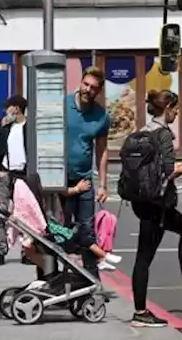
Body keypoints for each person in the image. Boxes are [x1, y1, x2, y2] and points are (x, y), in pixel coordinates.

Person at [129, 90, 182, 328]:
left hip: (141, 201)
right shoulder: (162, 134)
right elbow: (169, 170)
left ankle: (141, 309)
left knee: (145, 255)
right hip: (157, 203)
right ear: (168, 108)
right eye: (176, 109)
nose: (177, 113)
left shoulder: (143, 130)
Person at [66, 66, 111, 276]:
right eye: (86, 84)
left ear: (98, 91)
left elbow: (101, 151)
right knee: (59, 231)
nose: (88, 90)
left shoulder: (101, 116)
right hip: (59, 179)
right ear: (81, 82)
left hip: (84, 180)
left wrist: (103, 184)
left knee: (87, 230)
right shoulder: (63, 105)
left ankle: (92, 281)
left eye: (93, 88)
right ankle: (58, 279)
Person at [0, 94, 27, 267]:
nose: (6, 111)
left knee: (26, 214)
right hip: (6, 173)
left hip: (25, 174)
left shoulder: (29, 128)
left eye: (9, 107)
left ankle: (27, 250)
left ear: (17, 108)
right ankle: (0, 251)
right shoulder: (6, 129)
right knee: (1, 213)